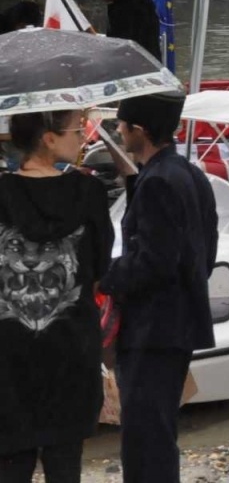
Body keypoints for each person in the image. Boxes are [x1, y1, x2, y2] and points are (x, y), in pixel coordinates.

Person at [100, 92, 218, 483]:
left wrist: (104, 277)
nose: (119, 131)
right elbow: (204, 249)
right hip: (179, 322)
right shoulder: (188, 174)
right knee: (157, 431)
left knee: (145, 437)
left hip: (154, 328)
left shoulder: (159, 183)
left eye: (122, 125)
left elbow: (154, 262)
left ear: (140, 130)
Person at [0, 109, 113, 483]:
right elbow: (100, 270)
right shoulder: (90, 193)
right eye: (76, 130)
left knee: (10, 462)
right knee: (65, 462)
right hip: (71, 348)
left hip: (8, 353)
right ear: (48, 139)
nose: (82, 136)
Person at [98, 0, 162, 61]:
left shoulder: (124, 9)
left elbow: (124, 37)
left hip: (134, 58)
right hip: (149, 57)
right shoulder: (140, 2)